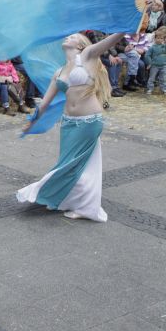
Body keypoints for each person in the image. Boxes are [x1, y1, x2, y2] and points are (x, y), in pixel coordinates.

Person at [18, 32, 123, 222]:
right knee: (69, 164)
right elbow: (45, 103)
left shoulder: (87, 56)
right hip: (68, 123)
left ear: (81, 45)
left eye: (73, 36)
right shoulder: (59, 71)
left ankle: (86, 208)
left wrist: (126, 28)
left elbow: (110, 41)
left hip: (89, 122)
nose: (68, 37)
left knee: (75, 165)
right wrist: (32, 122)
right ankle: (70, 200)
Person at [145, 26, 166, 95]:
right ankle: (150, 89)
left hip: (163, 65)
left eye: (161, 38)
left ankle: (164, 89)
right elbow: (147, 55)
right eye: (158, 38)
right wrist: (149, 63)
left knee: (163, 78)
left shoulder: (164, 47)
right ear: (155, 38)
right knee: (152, 78)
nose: (159, 40)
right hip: (154, 66)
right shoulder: (152, 47)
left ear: (164, 39)